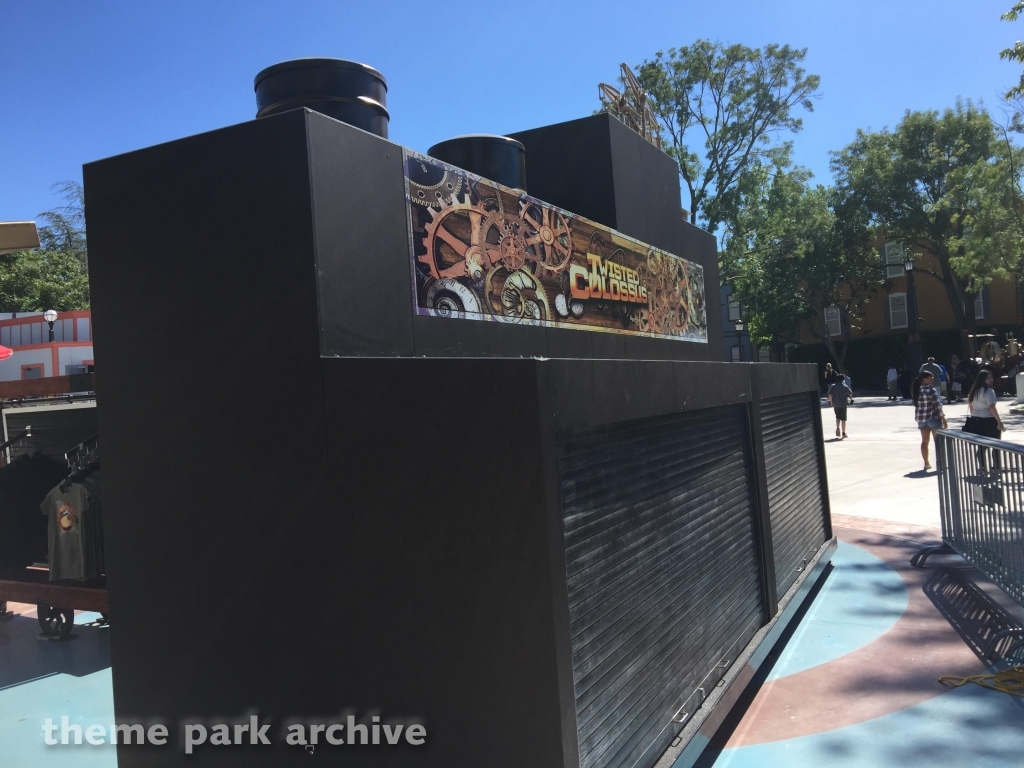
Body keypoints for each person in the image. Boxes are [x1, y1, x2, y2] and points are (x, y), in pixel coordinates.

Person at [913, 370, 947, 471]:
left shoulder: (916, 390)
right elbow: (937, 406)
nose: (933, 379)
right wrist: (944, 419)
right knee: (938, 442)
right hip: (932, 417)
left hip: (921, 419)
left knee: (924, 442)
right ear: (925, 379)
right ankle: (941, 463)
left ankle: (926, 463)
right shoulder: (931, 390)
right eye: (930, 377)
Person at [963, 369, 1004, 440]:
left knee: (981, 446)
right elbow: (992, 407)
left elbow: (971, 406)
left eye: (991, 378)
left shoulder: (973, 391)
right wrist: (999, 421)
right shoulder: (989, 391)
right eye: (988, 378)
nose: (991, 380)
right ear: (982, 379)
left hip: (975, 420)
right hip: (988, 420)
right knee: (995, 443)